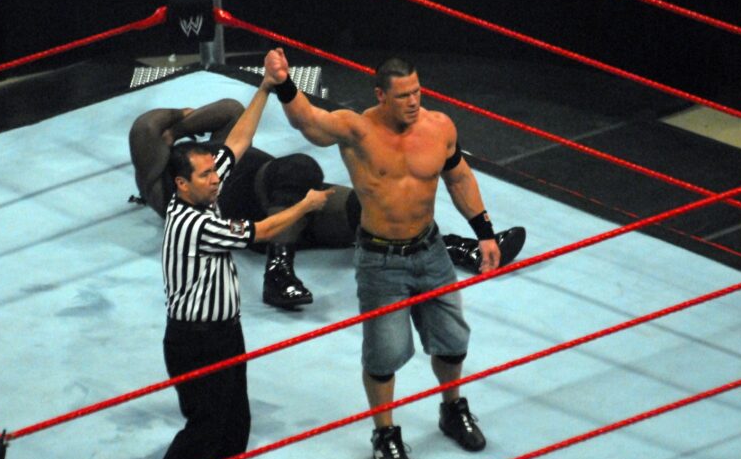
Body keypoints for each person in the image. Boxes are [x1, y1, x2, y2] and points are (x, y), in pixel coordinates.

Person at [265, 48, 511, 459]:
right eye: (403, 96)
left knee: (453, 341)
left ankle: (453, 409)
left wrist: (485, 231)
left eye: (417, 92)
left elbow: (458, 176)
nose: (414, 102)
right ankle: (385, 433)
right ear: (381, 95)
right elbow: (307, 120)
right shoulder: (356, 129)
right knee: (385, 353)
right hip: (381, 259)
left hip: (431, 250)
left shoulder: (439, 127)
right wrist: (284, 82)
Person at [136, 62, 332, 459]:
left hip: (226, 331)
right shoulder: (192, 221)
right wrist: (305, 206)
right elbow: (260, 232)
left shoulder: (205, 191)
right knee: (204, 428)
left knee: (236, 421)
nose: (215, 180)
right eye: (205, 176)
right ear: (181, 185)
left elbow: (236, 144)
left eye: (211, 174)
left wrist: (264, 89)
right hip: (193, 340)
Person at [130, 101, 526, 310]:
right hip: (262, 204)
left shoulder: (213, 152)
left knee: (368, 205)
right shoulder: (160, 186)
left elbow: (231, 108)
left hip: (292, 195)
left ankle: (463, 248)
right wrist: (175, 126)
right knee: (298, 167)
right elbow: (147, 126)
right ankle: (278, 272)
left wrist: (183, 125)